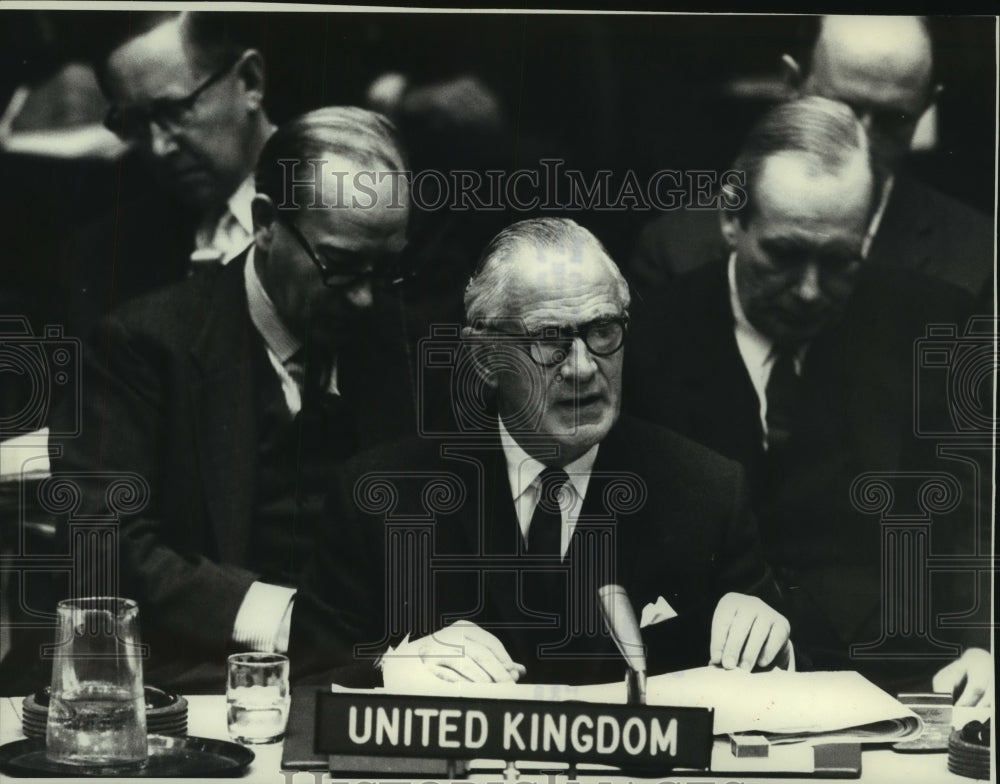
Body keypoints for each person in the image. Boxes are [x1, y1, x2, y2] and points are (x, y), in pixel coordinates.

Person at [290, 217, 791, 687]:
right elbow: (308, 679)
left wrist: (773, 650)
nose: (582, 367)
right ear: (485, 356)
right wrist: (391, 671)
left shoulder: (704, 492)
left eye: (601, 332)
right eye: (549, 339)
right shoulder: (382, 496)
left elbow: (791, 688)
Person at [626, 96, 991, 703]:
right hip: (710, 680)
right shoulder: (650, 342)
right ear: (731, 220)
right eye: (785, 255)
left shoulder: (931, 326)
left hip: (895, 675)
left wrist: (983, 645)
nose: (809, 290)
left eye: (840, 261)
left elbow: (971, 505)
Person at [49, 106, 418, 692]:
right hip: (196, 684)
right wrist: (287, 621)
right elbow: (103, 547)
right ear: (265, 222)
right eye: (341, 267)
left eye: (388, 268)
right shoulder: (142, 346)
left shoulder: (401, 345)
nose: (367, 300)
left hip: (371, 683)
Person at [630, 15, 993, 300]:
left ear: (927, 106)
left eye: (893, 119)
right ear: (791, 84)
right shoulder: (677, 251)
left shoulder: (978, 260)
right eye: (842, 107)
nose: (861, 141)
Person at [59, 11, 276, 339]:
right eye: (134, 122)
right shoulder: (104, 258)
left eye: (173, 111)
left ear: (250, 81)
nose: (159, 147)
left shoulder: (345, 202)